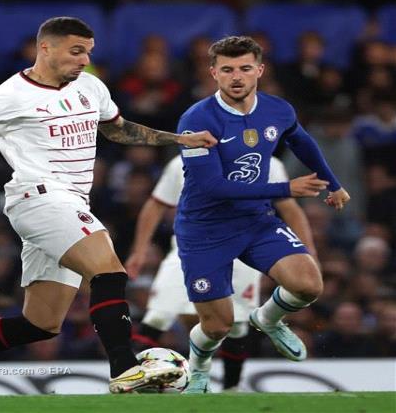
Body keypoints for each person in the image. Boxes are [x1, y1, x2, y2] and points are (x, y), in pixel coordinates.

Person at [0, 16, 217, 396]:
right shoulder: (8, 96)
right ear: (45, 47)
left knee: (40, 324)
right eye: (76, 51)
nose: (84, 60)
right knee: (108, 271)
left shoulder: (91, 86)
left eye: (88, 52)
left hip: (71, 203)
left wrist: (179, 139)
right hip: (38, 198)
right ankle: (125, 368)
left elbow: (118, 129)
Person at [173, 36, 350, 393]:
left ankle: (268, 319)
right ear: (213, 73)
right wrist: (286, 189)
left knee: (308, 284)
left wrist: (333, 184)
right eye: (227, 70)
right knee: (218, 327)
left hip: (255, 220)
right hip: (205, 229)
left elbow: (300, 140)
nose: (236, 76)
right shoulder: (196, 120)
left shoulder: (278, 110)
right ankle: (199, 367)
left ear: (260, 70)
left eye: (244, 68)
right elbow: (213, 187)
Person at [124, 155, 316, 391]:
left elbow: (289, 208)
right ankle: (134, 380)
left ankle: (230, 388)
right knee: (158, 315)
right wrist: (139, 251)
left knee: (235, 325)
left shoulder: (268, 162)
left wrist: (308, 251)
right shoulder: (183, 160)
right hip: (193, 247)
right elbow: (157, 204)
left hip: (246, 248)